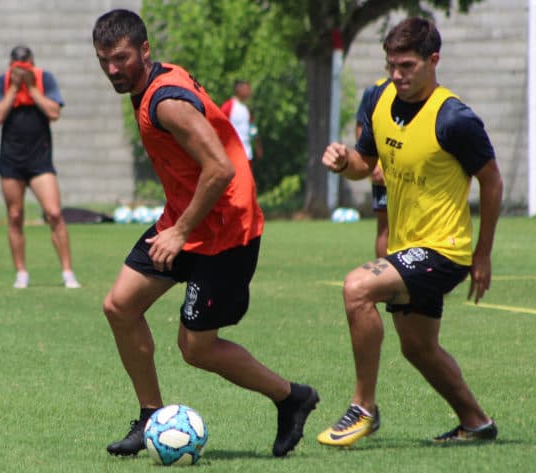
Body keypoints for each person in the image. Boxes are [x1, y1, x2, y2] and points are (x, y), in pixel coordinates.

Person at [92, 9, 318, 458]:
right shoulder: (149, 85)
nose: (113, 70)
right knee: (120, 306)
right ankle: (150, 416)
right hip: (186, 219)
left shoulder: (166, 101)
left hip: (226, 230)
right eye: (104, 61)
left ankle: (292, 397)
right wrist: (177, 226)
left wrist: (179, 231)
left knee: (196, 348)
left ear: (145, 50)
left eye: (121, 58)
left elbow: (220, 168)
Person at [318, 17, 503, 446]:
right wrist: (345, 160)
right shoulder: (379, 100)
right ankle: (476, 422)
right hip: (406, 247)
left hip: (444, 250)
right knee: (418, 348)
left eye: (406, 66)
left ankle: (363, 408)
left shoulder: (455, 118)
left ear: (433, 60)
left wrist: (484, 253)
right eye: (391, 66)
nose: (397, 75)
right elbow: (366, 164)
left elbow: (491, 181)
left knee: (357, 287)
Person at [0, 45, 80, 289]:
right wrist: (15, 88)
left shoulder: (44, 79)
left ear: (32, 64)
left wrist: (31, 87)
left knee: (54, 214)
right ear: (10, 65)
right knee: (15, 216)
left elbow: (54, 112)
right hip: (11, 161)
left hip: (40, 161)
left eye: (25, 67)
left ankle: (68, 273)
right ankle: (21, 273)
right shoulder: (2, 83)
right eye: (17, 68)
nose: (21, 71)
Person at [355, 79, 389, 258]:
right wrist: (373, 165)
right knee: (385, 227)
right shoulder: (376, 91)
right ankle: (384, 277)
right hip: (383, 172)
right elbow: (361, 127)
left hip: (411, 176)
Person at [220, 80, 263, 166]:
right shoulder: (228, 106)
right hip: (233, 154)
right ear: (238, 89)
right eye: (247, 88)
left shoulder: (246, 109)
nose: (250, 91)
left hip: (247, 153)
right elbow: (219, 125)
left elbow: (252, 128)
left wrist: (258, 145)